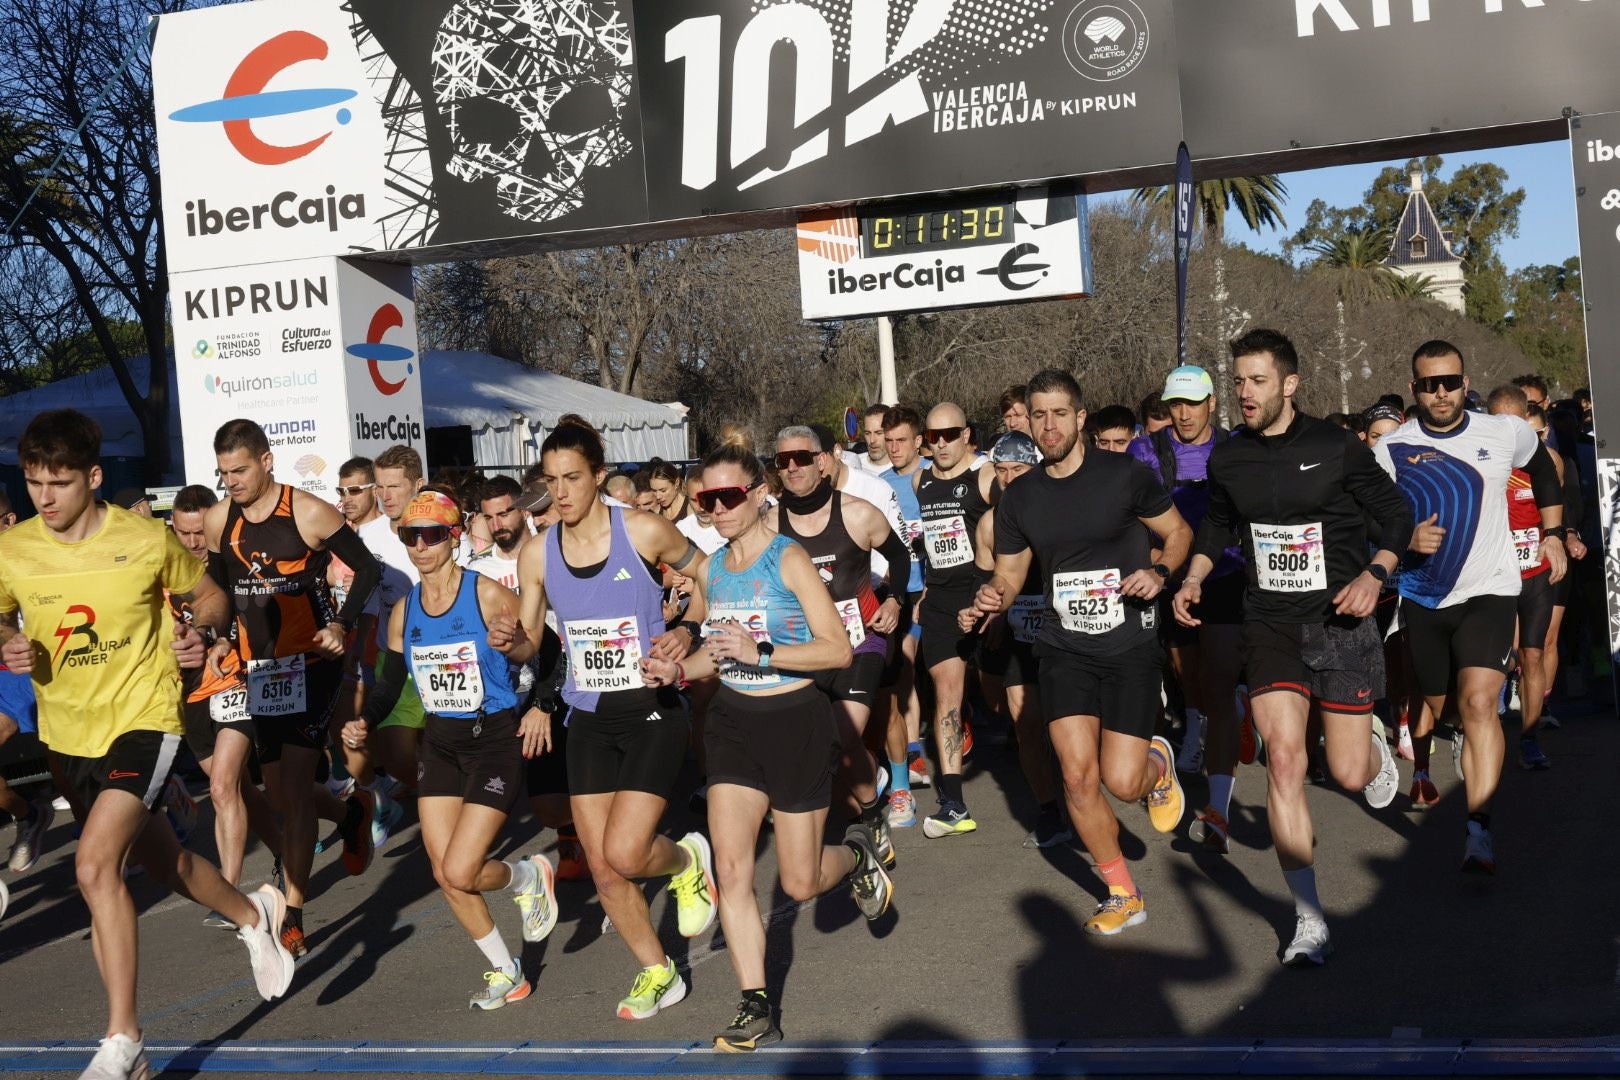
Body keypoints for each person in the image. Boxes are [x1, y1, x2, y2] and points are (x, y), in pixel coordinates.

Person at [0, 409, 295, 1080]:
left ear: (93, 477)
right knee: (166, 866)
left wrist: (201, 632)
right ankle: (255, 915)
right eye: (33, 482)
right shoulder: (14, 548)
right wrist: (7, 642)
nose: (45, 498)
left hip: (145, 719)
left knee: (94, 867)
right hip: (69, 735)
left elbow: (211, 596)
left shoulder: (144, 538)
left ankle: (124, 1040)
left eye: (60, 482)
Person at [641, 443, 890, 1053]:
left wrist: (765, 654)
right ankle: (755, 1002)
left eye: (729, 496)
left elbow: (836, 649)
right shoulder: (712, 569)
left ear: (758, 496)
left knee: (801, 882)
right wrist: (676, 673)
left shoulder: (789, 560)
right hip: (731, 722)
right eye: (707, 499)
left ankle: (856, 857)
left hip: (795, 720)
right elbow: (715, 653)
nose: (718, 508)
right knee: (732, 869)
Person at [1175, 329, 1408, 966]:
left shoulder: (1336, 447)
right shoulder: (1229, 457)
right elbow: (1219, 520)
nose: (1244, 394)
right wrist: (1194, 574)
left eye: (1257, 381)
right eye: (1239, 382)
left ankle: (1371, 741)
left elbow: (1397, 515)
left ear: (1289, 384)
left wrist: (1375, 573)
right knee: (1283, 761)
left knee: (1351, 774)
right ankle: (1308, 918)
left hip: (1340, 618)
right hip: (1269, 623)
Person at [972, 370, 1192, 936]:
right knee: (1075, 777)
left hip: (1129, 644)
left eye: (1058, 414)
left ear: (1080, 417)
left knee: (1122, 782)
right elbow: (1012, 572)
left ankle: (1159, 767)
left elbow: (1179, 533)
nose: (1048, 426)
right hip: (1063, 645)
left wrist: (1160, 571)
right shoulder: (1020, 497)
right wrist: (991, 598)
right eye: (1038, 415)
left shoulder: (1125, 476)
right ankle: (1123, 892)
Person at [515, 418, 717, 1022]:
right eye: (551, 481)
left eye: (572, 478)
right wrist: (510, 642)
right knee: (602, 865)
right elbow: (530, 643)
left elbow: (712, 579)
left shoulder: (644, 531)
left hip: (652, 707)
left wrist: (685, 629)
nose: (562, 492)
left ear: (598, 476)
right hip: (589, 715)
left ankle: (686, 861)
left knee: (627, 852)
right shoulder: (537, 552)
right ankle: (657, 971)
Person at [341, 489, 549, 1009]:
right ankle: (507, 970)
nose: (422, 546)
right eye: (413, 536)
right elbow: (390, 683)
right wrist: (364, 720)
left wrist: (520, 655)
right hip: (440, 742)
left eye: (433, 535)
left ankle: (527, 875)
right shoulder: (404, 610)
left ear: (454, 538)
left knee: (461, 868)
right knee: (446, 872)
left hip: (493, 739)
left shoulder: (486, 595)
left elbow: (542, 651)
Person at [1372, 341, 1567, 876]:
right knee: (1443, 703)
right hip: (1424, 595)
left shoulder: (1503, 431)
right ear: (1414, 389)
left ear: (1465, 382)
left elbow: (1545, 471)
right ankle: (1458, 732)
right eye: (1430, 384)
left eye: (1451, 382)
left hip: (1490, 590)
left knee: (1481, 701)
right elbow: (1367, 517)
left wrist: (1553, 533)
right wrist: (1404, 536)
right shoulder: (1392, 449)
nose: (1442, 392)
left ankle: (1478, 828)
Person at [204, 419, 382, 959]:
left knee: (297, 784)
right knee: (282, 792)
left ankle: (293, 910)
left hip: (315, 661)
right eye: (224, 472)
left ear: (267, 461)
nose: (232, 481)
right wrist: (215, 637)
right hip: (263, 668)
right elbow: (218, 591)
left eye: (240, 470)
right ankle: (351, 813)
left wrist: (342, 625)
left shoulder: (306, 511)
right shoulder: (219, 520)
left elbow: (368, 569)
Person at [767, 426, 914, 867]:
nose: (792, 467)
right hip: (803, 646)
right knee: (817, 744)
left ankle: (866, 808)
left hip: (859, 639)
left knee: (844, 735)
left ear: (821, 461)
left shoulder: (857, 513)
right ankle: (870, 809)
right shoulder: (767, 523)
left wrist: (894, 599)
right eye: (782, 461)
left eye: (801, 458)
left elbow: (902, 557)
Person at [1129, 365, 1246, 853]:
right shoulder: (1144, 451)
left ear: (1212, 403)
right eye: (1176, 403)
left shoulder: (1234, 449)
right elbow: (1129, 511)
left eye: (1194, 402)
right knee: (1187, 674)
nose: (1184, 413)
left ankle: (1217, 806)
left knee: (1217, 684)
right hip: (1168, 579)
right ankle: (1197, 725)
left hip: (1225, 575)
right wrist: (1151, 558)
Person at [170, 484, 287, 927]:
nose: (193, 543)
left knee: (221, 788)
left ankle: (228, 890)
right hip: (191, 698)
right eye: (184, 533)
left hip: (236, 682)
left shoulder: (229, 567)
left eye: (200, 533)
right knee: (237, 791)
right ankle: (289, 848)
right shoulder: (165, 572)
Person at [958, 431, 1065, 846]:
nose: (1008, 478)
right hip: (1019, 628)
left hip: (1065, 625)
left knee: (1067, 722)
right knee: (1023, 718)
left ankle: (1075, 790)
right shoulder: (989, 522)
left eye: (1018, 469)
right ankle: (1049, 811)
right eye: (1001, 471)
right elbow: (985, 580)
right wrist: (984, 611)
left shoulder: (1057, 509)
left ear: (1035, 468)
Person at [913, 402, 998, 837]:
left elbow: (1013, 536)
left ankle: (1053, 793)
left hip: (987, 597)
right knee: (945, 695)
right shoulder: (920, 479)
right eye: (933, 436)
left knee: (1006, 701)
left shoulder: (985, 477)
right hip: (943, 603)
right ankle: (954, 804)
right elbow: (931, 544)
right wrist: (926, 590)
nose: (941, 443)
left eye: (949, 434)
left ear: (967, 435)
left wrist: (998, 591)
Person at [1485, 386, 1567, 769]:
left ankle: (1530, 737)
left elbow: (1556, 511)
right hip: (1494, 573)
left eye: (1511, 422)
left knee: (1532, 655)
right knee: (1501, 658)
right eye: (1495, 420)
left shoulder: (1546, 460)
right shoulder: (1481, 459)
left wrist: (1558, 540)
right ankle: (1480, 728)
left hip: (1534, 571)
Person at [362, 445, 429, 799]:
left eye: (394, 487)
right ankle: (440, 791)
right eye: (379, 487)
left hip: (442, 653)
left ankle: (449, 798)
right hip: (395, 655)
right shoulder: (367, 536)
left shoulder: (442, 525)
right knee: (395, 753)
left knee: (439, 742)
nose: (385, 496)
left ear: (418, 484)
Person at [878, 406, 930, 812]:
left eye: (900, 440)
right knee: (905, 664)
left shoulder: (932, 477)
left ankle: (960, 716)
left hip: (940, 589)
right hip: (900, 592)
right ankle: (912, 750)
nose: (893, 448)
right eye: (887, 440)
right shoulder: (878, 487)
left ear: (918, 441)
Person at [858, 403, 893, 475]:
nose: (872, 440)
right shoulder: (854, 465)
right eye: (867, 433)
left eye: (879, 433)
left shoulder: (903, 469)